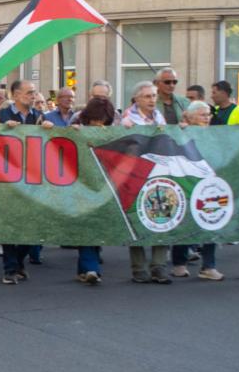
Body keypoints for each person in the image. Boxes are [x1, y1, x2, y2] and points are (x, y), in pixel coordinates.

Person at [0, 79, 54, 284]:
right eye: (29, 92)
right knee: (9, 223)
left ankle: (19, 261)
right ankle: (10, 268)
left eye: (34, 92)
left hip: (32, 179)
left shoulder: (38, 116)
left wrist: (49, 129)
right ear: (16, 95)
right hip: (8, 178)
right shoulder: (3, 115)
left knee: (33, 225)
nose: (33, 96)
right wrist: (4, 129)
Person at [119, 82, 171, 283]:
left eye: (154, 96)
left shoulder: (159, 117)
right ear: (137, 99)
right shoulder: (126, 119)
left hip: (159, 172)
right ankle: (139, 267)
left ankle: (159, 265)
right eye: (148, 96)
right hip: (135, 174)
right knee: (137, 216)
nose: (152, 100)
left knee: (163, 215)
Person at [170, 102, 223, 281]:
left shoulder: (215, 135)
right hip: (188, 184)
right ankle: (179, 263)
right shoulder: (181, 133)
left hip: (210, 186)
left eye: (208, 115)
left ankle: (209, 266)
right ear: (190, 117)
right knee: (185, 223)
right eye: (202, 115)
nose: (207, 118)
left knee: (211, 222)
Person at [71, 96, 119, 284]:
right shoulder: (76, 123)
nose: (98, 125)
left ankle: (84, 269)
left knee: (97, 225)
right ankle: (91, 268)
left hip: (103, 185)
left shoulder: (112, 129)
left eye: (102, 121)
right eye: (95, 120)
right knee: (87, 224)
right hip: (81, 184)